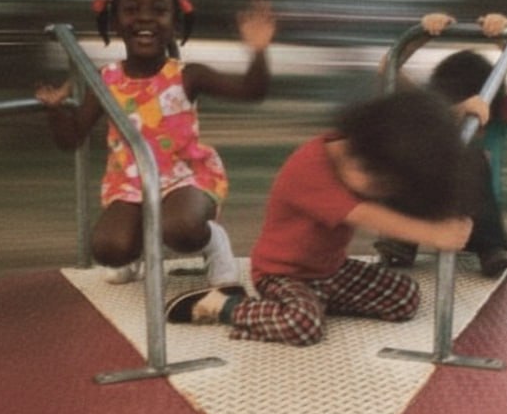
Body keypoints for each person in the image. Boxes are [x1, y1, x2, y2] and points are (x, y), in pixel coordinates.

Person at [165, 91, 474, 346]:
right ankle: (225, 305)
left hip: (329, 270)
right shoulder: (311, 168)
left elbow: (409, 127)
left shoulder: (373, 147)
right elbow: (367, 214)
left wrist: (457, 112)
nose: (380, 193)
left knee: (405, 298)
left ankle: (309, 304)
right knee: (304, 326)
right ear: (363, 157)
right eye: (380, 185)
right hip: (283, 273)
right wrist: (431, 233)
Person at [34, 0, 275, 286]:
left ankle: (214, 242)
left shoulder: (188, 75)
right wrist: (54, 111)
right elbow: (72, 136)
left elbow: (251, 91)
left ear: (175, 21)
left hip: (185, 177)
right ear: (115, 21)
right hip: (130, 185)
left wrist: (258, 50)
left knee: (180, 230)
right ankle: (134, 253)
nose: (145, 18)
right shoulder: (105, 81)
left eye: (159, 10)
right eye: (131, 10)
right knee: (108, 249)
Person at [373, 12, 507, 277]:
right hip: (426, 213)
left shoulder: (497, 121)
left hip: (477, 220)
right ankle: (401, 241)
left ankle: (490, 249)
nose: (473, 123)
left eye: (479, 114)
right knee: (411, 150)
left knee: (473, 158)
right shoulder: (433, 116)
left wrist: (505, 40)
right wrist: (424, 34)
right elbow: (388, 69)